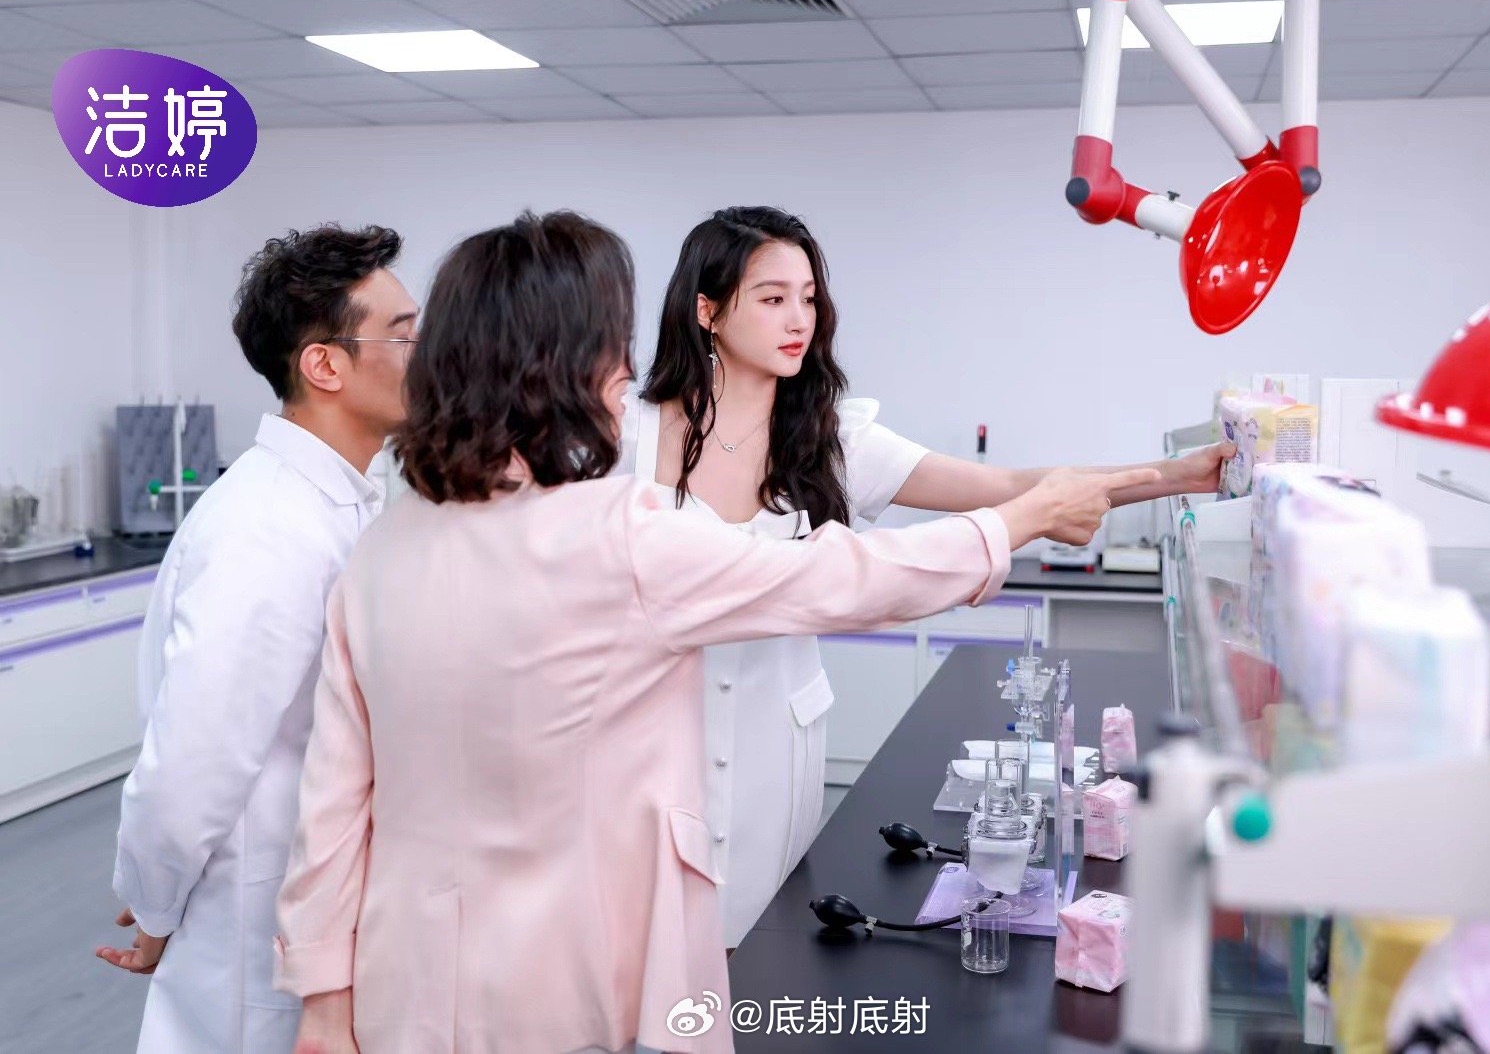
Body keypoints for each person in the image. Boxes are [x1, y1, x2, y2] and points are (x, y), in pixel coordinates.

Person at [274, 210, 1159, 1054]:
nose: (624, 366)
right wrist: (1021, 519)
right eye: (608, 342)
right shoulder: (618, 536)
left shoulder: (384, 547)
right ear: (560, 364)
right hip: (567, 988)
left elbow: (335, 800)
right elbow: (842, 578)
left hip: (405, 983)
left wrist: (324, 1001)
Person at [626, 205, 1233, 947]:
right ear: (707, 310)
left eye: (809, 298)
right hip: (658, 744)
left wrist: (1177, 475)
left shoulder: (829, 438)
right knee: (655, 944)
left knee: (764, 946)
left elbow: (1008, 486)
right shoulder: (631, 436)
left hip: (775, 747)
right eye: (773, 297)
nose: (799, 319)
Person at [98, 225, 418, 1054]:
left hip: (312, 903)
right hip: (252, 922)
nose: (426, 354)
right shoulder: (268, 526)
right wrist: (155, 904)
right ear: (325, 365)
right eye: (403, 334)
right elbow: (191, 762)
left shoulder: (339, 500)